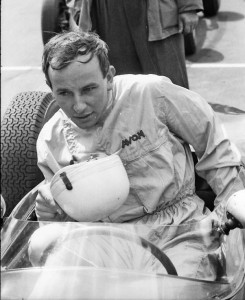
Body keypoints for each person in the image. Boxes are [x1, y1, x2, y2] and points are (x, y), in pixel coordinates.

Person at [35, 31, 245, 280]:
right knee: (55, 282)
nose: (78, 105)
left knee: (175, 292)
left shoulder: (153, 94)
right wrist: (50, 212)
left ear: (109, 77)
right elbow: (62, 223)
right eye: (64, 93)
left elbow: (215, 149)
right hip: (104, 239)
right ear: (51, 89)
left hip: (180, 229)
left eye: (89, 89)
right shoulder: (50, 140)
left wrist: (229, 217)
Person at [67, 0, 203, 88]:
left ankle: (178, 131)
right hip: (106, 12)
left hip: (154, 13)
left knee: (169, 85)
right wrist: (77, 8)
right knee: (122, 87)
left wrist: (189, 7)